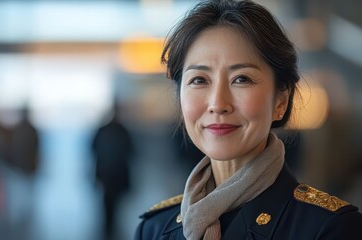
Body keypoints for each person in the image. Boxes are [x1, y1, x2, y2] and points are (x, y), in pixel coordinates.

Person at [134, 0, 362, 239]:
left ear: (280, 101)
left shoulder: (330, 229)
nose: (218, 104)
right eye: (199, 80)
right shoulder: (154, 228)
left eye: (241, 79)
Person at [92, 102, 134, 240]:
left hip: (109, 173)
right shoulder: (122, 130)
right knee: (111, 202)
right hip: (113, 173)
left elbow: (93, 148)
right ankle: (109, 228)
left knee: (110, 202)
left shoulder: (104, 130)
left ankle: (108, 228)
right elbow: (131, 151)